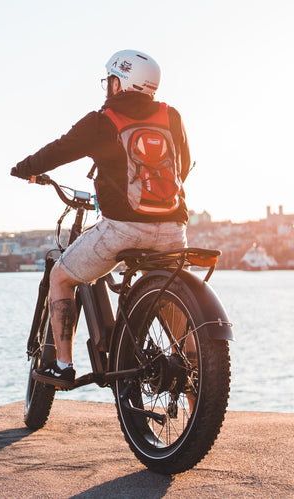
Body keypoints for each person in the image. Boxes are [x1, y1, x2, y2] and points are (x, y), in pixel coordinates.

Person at [10, 49, 192, 388]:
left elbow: (59, 149)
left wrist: (25, 169)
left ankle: (63, 366)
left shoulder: (101, 121)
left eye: (110, 79)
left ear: (118, 83)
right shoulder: (172, 117)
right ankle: (200, 386)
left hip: (122, 230)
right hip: (173, 230)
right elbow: (182, 166)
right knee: (178, 310)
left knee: (62, 277)